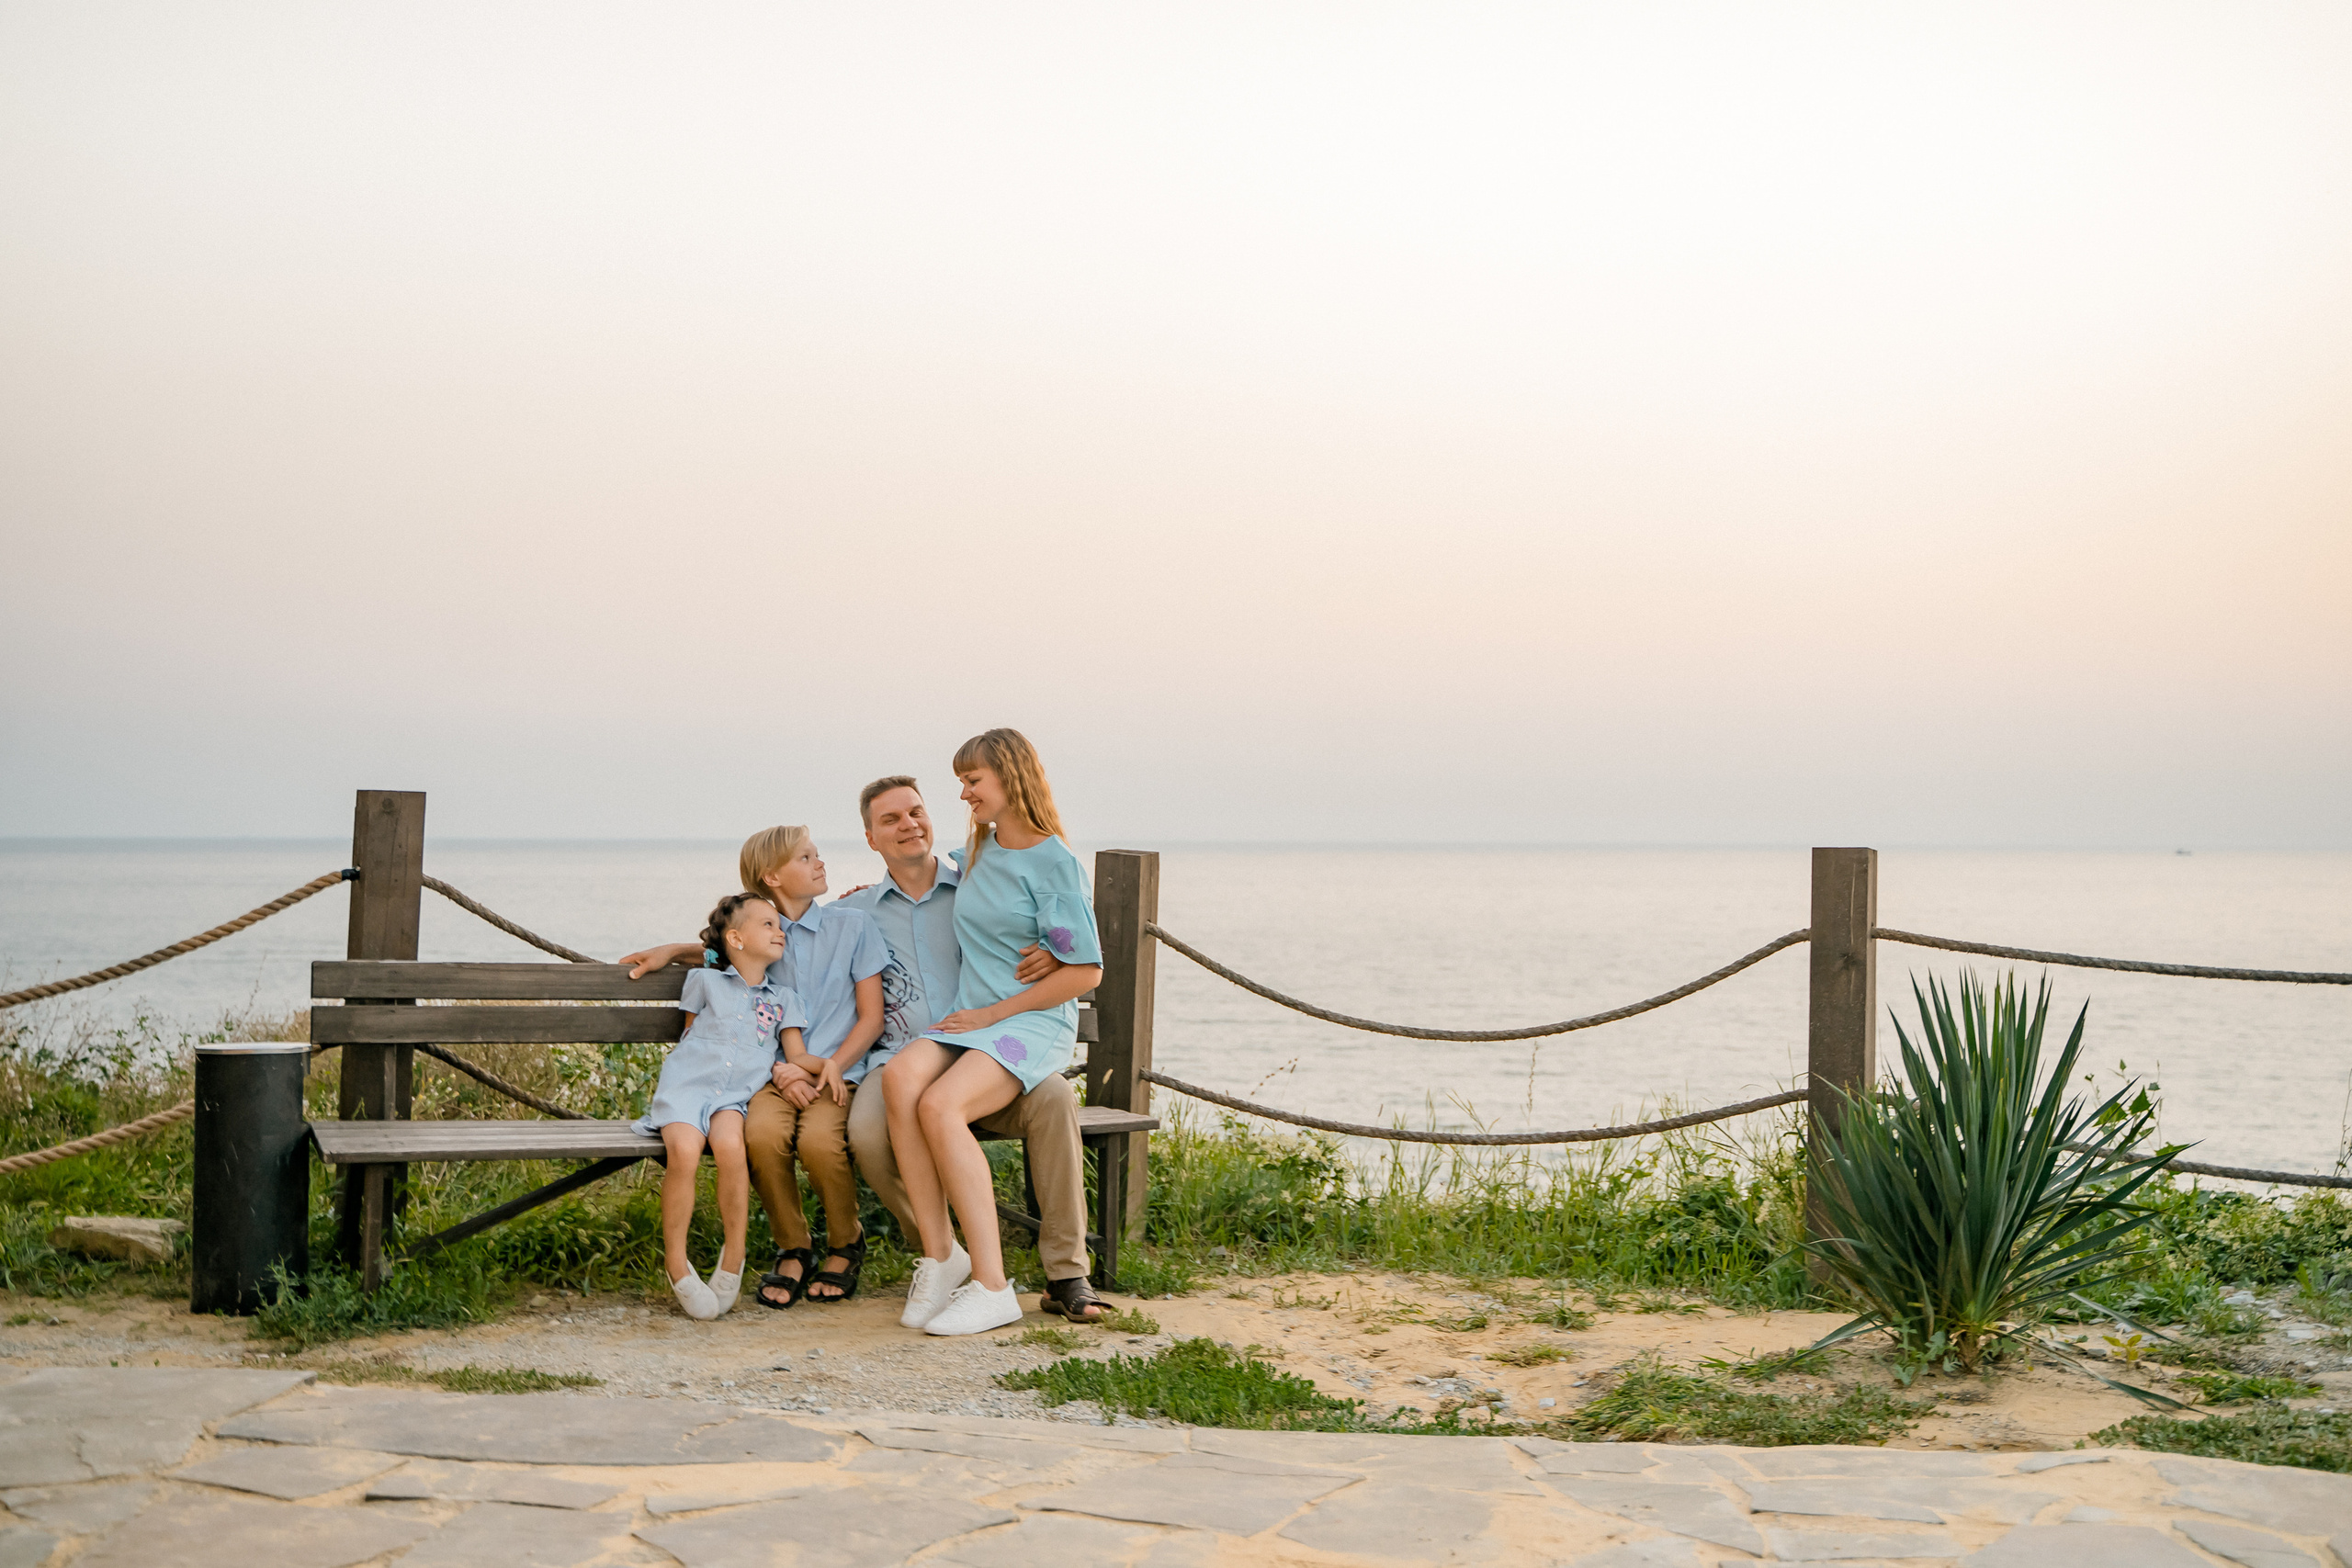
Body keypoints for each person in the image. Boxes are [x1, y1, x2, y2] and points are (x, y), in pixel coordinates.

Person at [839, 773, 1110, 1324]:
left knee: (1054, 1097)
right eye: (890, 820)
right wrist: (691, 949)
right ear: (870, 838)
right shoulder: (856, 912)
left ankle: (1067, 1273)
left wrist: (1057, 957)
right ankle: (943, 1254)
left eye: (915, 812)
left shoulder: (976, 878)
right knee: (870, 1130)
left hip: (994, 1044)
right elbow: (782, 936)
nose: (908, 824)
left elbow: (1051, 924)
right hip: (912, 1055)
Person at [624, 826, 890, 1309]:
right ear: (771, 876)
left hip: (835, 1070)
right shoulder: (764, 936)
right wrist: (672, 950)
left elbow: (872, 1017)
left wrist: (824, 1067)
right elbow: (720, 957)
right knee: (762, 1136)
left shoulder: (852, 927)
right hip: (770, 1076)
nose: (820, 862)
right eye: (806, 857)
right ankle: (793, 1245)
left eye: (817, 854)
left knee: (819, 1141)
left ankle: (845, 1241)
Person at [632, 892, 805, 1321]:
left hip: (734, 1098)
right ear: (736, 938)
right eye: (766, 924)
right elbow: (689, 1039)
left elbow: (798, 1057)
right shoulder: (704, 981)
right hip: (687, 1090)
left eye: (778, 924)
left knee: (731, 1149)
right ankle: (676, 1263)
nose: (778, 930)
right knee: (685, 1154)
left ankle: (735, 1255)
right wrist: (674, 951)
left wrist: (825, 1069)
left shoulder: (784, 998)